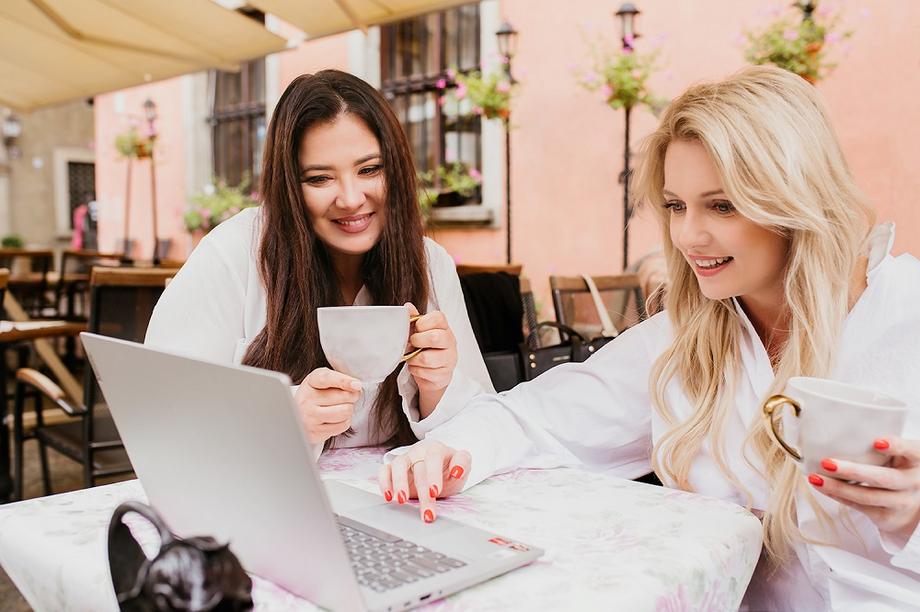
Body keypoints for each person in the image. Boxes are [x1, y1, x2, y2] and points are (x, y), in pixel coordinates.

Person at [378, 66, 920, 609]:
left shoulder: (904, 318)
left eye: (723, 205)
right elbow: (533, 417)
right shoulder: (685, 340)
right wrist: (449, 453)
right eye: (676, 206)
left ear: (794, 198)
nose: (686, 235)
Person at [146, 70, 493, 468]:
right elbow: (163, 416)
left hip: (394, 508)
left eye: (369, 170)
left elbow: (486, 428)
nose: (350, 198)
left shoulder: (430, 264)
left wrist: (438, 388)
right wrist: (286, 418)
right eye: (319, 178)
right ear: (289, 187)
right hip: (268, 507)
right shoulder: (233, 254)